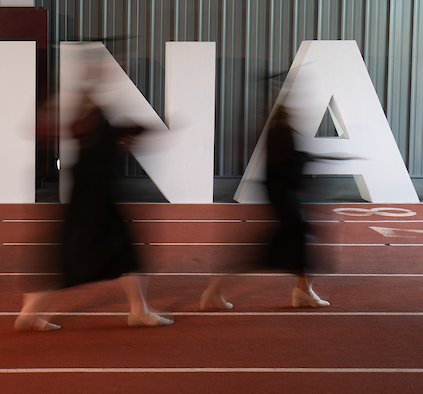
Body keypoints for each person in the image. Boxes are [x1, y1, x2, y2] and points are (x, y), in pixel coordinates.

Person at [16, 86, 173, 331]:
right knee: (79, 264)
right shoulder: (99, 134)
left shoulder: (85, 134)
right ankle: (139, 312)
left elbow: (128, 131)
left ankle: (139, 311)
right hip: (95, 212)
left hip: (90, 210)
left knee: (113, 259)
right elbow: (131, 130)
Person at [200, 103, 330, 311]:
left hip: (282, 201)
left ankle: (305, 289)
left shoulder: (274, 135)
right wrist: (306, 158)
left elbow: (284, 165)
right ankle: (215, 289)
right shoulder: (282, 135)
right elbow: (289, 169)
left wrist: (302, 157)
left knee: (299, 245)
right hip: (285, 203)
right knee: (263, 255)